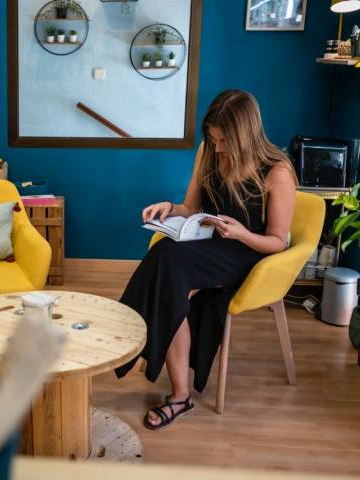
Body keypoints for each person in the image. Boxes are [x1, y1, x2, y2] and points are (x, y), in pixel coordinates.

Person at [115, 89, 297, 430]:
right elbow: (191, 208)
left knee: (167, 261)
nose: (217, 148)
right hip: (208, 245)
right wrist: (169, 209)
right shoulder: (208, 153)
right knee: (168, 266)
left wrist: (241, 233)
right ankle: (179, 395)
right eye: (212, 139)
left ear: (246, 136)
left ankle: (124, 330)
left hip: (246, 254)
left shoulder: (277, 172)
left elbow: (276, 242)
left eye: (224, 141)